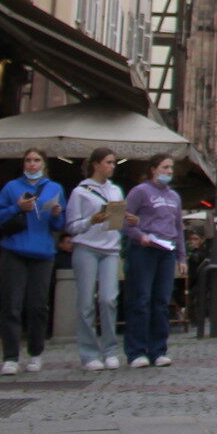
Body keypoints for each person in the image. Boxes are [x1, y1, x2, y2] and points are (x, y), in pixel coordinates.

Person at [0, 148, 65, 375]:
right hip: (15, 250)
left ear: (44, 164)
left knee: (37, 305)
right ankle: (11, 357)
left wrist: (56, 214)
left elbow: (60, 225)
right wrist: (17, 207)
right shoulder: (12, 187)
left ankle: (35, 353)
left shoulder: (55, 188)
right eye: (28, 160)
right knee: (11, 305)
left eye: (36, 160)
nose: (32, 164)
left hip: (42, 253)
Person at [121, 153, 184, 368]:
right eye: (165, 167)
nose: (169, 171)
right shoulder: (140, 192)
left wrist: (181, 256)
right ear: (153, 169)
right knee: (141, 300)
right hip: (144, 250)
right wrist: (140, 236)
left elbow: (178, 228)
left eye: (171, 168)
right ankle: (136, 351)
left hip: (166, 251)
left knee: (161, 302)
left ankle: (158, 349)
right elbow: (125, 220)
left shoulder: (174, 196)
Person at [65, 148, 126, 371]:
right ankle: (89, 353)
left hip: (110, 249)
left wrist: (124, 220)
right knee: (86, 303)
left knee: (109, 299)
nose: (113, 166)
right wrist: (91, 220)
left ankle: (110, 350)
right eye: (109, 162)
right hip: (86, 248)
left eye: (114, 162)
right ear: (96, 164)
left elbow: (116, 226)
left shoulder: (116, 191)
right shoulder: (80, 192)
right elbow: (71, 227)